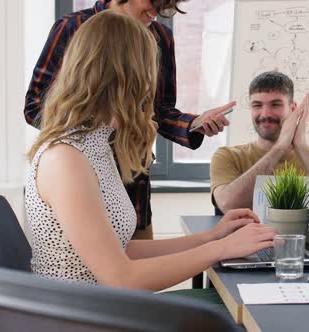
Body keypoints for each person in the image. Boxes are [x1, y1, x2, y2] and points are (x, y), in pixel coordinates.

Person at [25, 10, 276, 294]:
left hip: (105, 309)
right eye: (148, 72)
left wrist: (211, 237)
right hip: (82, 317)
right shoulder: (65, 159)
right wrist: (222, 248)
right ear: (125, 77)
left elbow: (122, 250)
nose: (151, 86)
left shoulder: (95, 144)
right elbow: (121, 278)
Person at [24, 0, 233, 239]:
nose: (158, 11)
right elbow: (35, 105)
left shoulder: (159, 36)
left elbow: (160, 110)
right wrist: (99, 128)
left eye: (167, 5)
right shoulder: (74, 27)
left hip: (133, 192)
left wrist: (193, 123)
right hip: (83, 182)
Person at [210, 71, 309, 213]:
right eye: (257, 105)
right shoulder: (228, 156)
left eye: (275, 105)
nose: (265, 114)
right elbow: (227, 204)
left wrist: (302, 147)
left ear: (293, 109)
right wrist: (280, 147)